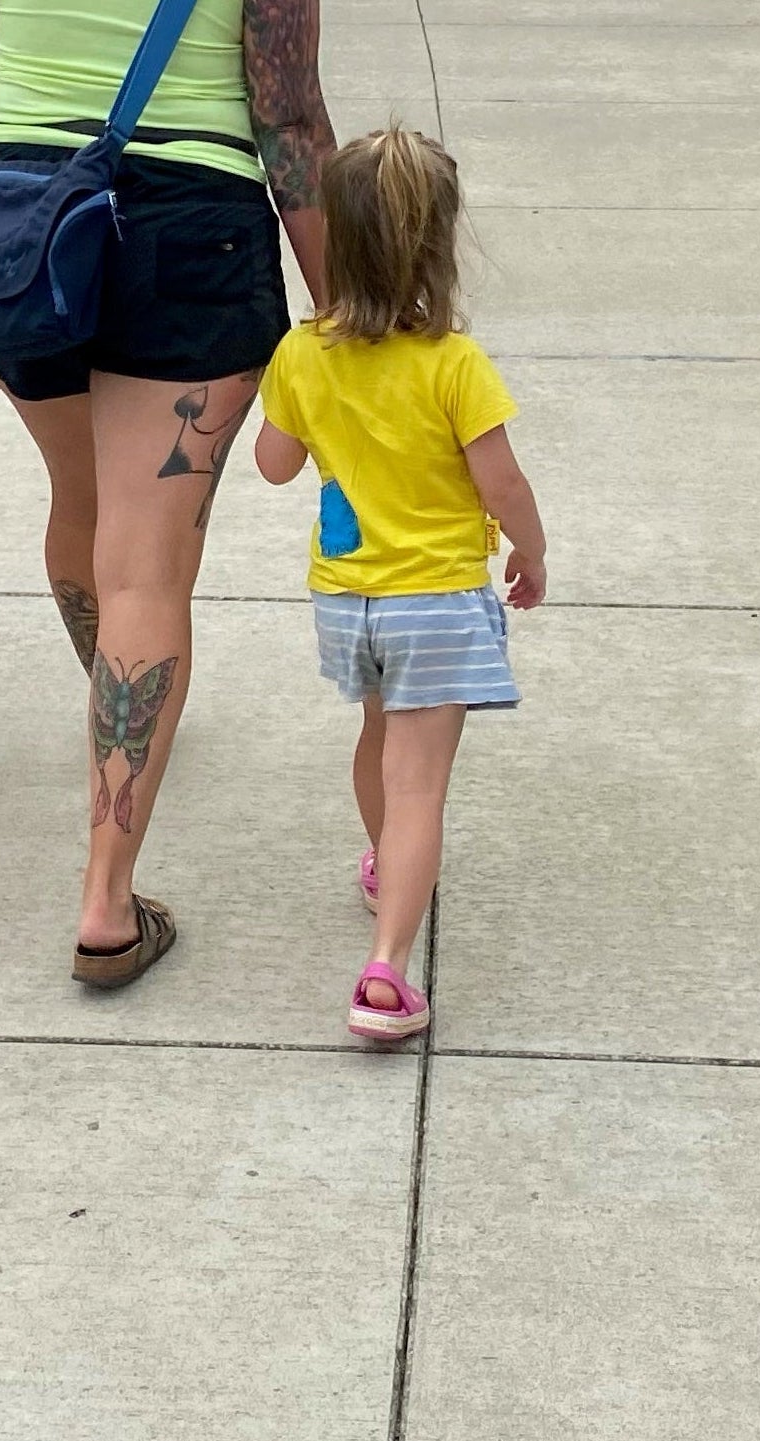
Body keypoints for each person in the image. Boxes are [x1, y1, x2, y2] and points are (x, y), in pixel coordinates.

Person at [0, 0, 335, 984]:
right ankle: (106, 901)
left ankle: (117, 710)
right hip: (192, 230)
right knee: (146, 566)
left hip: (25, 221)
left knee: (81, 500)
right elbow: (290, 119)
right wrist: (348, 311)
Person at [255, 126, 547, 1042]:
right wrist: (529, 551)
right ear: (437, 245)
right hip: (438, 601)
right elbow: (500, 481)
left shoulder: (303, 355)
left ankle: (386, 860)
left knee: (378, 739)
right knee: (420, 784)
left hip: (350, 601)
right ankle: (387, 970)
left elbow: (272, 464)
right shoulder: (454, 363)